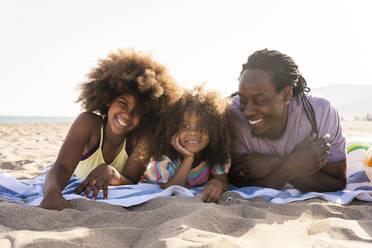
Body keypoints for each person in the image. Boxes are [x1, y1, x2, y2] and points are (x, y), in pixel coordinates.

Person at [40, 49, 181, 210]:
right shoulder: (87, 123)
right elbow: (62, 167)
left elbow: (131, 180)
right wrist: (52, 193)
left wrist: (112, 173)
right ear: (108, 100)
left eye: (138, 111)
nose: (127, 115)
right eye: (123, 103)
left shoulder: (142, 139)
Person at [228, 49, 347, 192]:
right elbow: (238, 182)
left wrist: (278, 164)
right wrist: (289, 166)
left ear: (286, 94)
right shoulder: (233, 115)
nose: (247, 111)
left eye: (258, 100)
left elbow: (337, 182)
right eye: (242, 99)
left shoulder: (321, 113)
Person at [141, 86, 231, 203]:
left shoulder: (214, 154)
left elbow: (222, 180)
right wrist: (188, 158)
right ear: (173, 130)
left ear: (214, 131)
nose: (193, 132)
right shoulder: (166, 158)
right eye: (185, 126)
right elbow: (172, 190)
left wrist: (217, 183)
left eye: (201, 126)